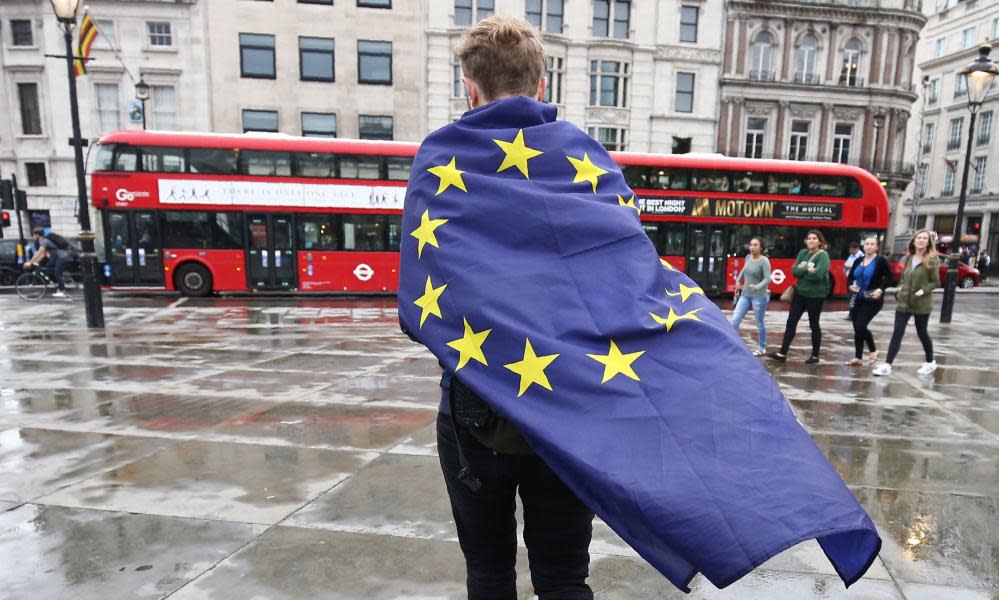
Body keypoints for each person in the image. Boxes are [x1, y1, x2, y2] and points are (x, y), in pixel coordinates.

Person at [434, 18, 595, 599]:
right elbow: (625, 278)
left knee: (489, 573)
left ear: (468, 88)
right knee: (563, 578)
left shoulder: (442, 161)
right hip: (567, 414)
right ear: (542, 85)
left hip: (475, 410)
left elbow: (426, 299)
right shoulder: (587, 163)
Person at [874, 229, 940, 377]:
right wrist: (900, 289)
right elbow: (905, 278)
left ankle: (930, 362)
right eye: (919, 238)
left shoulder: (932, 259)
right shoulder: (910, 257)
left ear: (929, 242)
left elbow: (935, 282)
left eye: (925, 238)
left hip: (921, 303)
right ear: (914, 241)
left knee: (922, 333)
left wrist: (923, 290)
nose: (921, 240)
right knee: (897, 333)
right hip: (904, 302)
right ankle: (887, 365)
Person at [767, 230, 830, 364]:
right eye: (809, 238)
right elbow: (794, 271)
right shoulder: (802, 253)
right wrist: (807, 270)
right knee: (791, 322)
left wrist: (803, 270)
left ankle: (814, 355)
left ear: (820, 241)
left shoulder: (823, 256)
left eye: (814, 238)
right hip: (800, 293)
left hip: (815, 295)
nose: (811, 240)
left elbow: (818, 275)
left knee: (814, 324)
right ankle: (782, 353)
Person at [844, 237, 891, 366]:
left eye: (872, 244)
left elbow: (889, 277)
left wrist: (880, 290)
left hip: (872, 298)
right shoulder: (858, 260)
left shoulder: (881, 261)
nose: (869, 246)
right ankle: (858, 357)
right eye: (867, 244)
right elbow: (850, 277)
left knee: (860, 325)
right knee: (857, 327)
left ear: (876, 247)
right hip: (856, 297)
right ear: (863, 247)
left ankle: (873, 350)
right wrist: (850, 286)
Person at [730, 237, 771, 356]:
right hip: (745, 295)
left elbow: (767, 278)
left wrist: (757, 286)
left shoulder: (764, 261)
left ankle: (762, 347)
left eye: (755, 245)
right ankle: (733, 345)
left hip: (759, 296)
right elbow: (744, 270)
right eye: (751, 245)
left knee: (759, 323)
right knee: (735, 319)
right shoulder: (748, 257)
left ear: (761, 248)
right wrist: (738, 281)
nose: (752, 247)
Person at [22, 228, 73, 298]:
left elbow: (38, 253)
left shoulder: (44, 241)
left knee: (57, 273)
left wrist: (30, 262)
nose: (33, 237)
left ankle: (62, 290)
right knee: (48, 267)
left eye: (33, 235)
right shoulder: (44, 241)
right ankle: (59, 282)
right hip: (59, 257)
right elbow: (42, 255)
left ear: (37, 235)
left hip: (62, 257)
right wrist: (35, 262)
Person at [842, 241, 865, 320]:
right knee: (850, 297)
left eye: (852, 250)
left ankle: (852, 314)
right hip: (850, 278)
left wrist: (850, 267)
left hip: (857, 280)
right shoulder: (851, 256)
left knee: (853, 297)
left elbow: (859, 267)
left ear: (857, 249)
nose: (850, 251)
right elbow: (846, 264)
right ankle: (852, 313)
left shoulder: (861, 256)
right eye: (850, 250)